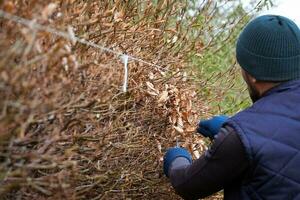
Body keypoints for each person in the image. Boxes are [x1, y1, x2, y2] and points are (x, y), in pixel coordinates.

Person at [163, 15, 300, 200]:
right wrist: (236, 133)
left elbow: (187, 185)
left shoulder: (239, 135)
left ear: (252, 74)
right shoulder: (242, 134)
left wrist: (176, 161)